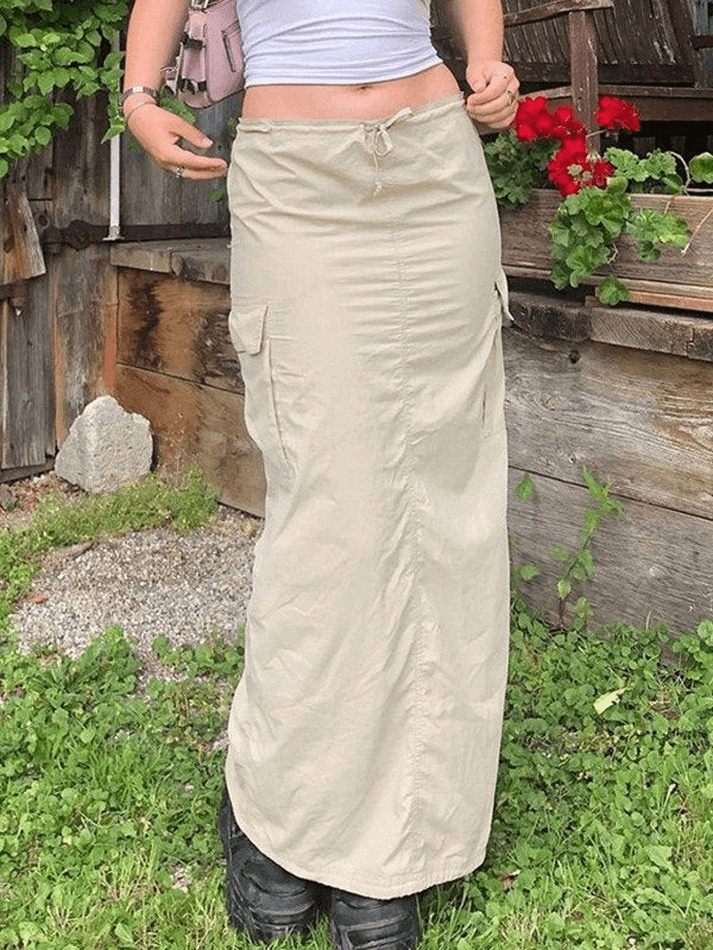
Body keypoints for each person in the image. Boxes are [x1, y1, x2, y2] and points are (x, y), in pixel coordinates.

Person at [122, 2, 518, 948]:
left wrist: (490, 63)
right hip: (297, 176)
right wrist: (137, 98)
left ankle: (402, 836)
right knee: (331, 509)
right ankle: (279, 816)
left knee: (444, 497)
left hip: (433, 162)